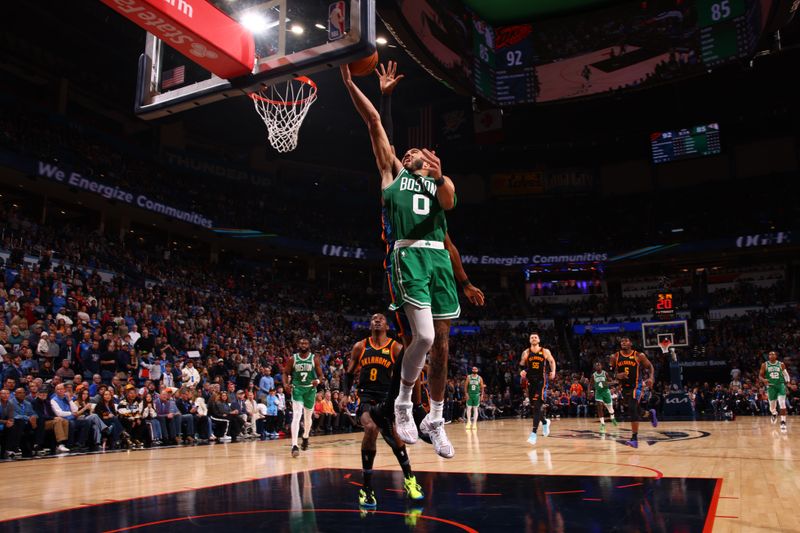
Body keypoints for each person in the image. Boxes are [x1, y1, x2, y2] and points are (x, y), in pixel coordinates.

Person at [342, 60, 461, 459]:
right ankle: (405, 404)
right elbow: (375, 123)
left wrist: (441, 177)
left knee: (441, 345)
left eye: (416, 151)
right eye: (405, 150)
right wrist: (352, 84)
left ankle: (436, 419)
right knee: (423, 337)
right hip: (408, 256)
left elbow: (449, 202)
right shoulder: (393, 176)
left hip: (438, 260)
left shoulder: (437, 180)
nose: (409, 152)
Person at [344, 313, 424, 509]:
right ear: (370, 324)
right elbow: (348, 372)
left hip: (386, 397)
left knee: (395, 437)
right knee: (370, 428)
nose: (377, 320)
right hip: (365, 396)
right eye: (373, 318)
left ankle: (409, 479)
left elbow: (410, 373)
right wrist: (346, 394)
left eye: (381, 318)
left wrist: (412, 401)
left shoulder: (395, 347)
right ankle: (367, 488)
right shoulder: (360, 346)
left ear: (387, 326)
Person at [610, 337, 658, 448]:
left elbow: (650, 366)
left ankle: (634, 439)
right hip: (624, 387)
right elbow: (610, 372)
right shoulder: (615, 357)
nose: (624, 343)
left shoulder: (638, 355)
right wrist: (617, 375)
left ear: (631, 343)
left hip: (637, 386)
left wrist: (651, 378)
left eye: (626, 341)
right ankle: (650, 414)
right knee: (635, 408)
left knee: (632, 409)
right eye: (622, 341)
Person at [284, 338, 322, 458]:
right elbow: (285, 373)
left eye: (305, 343)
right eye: (301, 343)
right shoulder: (293, 359)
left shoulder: (314, 358)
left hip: (310, 389)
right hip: (297, 389)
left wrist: (318, 380)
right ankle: (294, 445)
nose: (303, 345)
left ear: (309, 345)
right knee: (296, 415)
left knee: (307, 417)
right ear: (298, 345)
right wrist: (285, 384)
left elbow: (321, 375)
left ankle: (305, 436)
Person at [520, 332, 556, 445]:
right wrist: (522, 371)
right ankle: (545, 422)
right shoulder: (526, 352)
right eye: (532, 337)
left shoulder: (545, 351)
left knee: (537, 406)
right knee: (534, 406)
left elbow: (551, 361)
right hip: (530, 381)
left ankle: (533, 433)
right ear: (529, 340)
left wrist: (553, 371)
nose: (534, 339)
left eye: (535, 337)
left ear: (539, 339)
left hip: (541, 381)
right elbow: (521, 365)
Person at [760, 351, 790, 433]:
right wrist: (764, 380)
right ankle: (774, 413)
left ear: (776, 356)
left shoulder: (781, 364)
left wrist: (787, 382)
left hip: (780, 385)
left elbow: (786, 374)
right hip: (771, 386)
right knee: (772, 407)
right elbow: (760, 376)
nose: (771, 355)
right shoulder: (764, 364)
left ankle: (783, 422)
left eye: (773, 354)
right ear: (768, 356)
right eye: (770, 354)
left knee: (782, 403)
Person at [592, 361, 617, 432]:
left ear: (601, 366)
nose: (598, 367)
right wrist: (589, 391)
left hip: (606, 392)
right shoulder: (593, 375)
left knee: (610, 409)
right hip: (598, 392)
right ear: (595, 367)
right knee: (599, 406)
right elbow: (590, 384)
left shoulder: (605, 373)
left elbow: (610, 381)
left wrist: (608, 383)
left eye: (599, 365)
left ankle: (612, 417)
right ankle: (602, 424)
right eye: (596, 366)